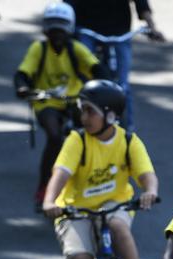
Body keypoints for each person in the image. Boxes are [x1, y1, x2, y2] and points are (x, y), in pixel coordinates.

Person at [42, 79, 157, 259]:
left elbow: (147, 175)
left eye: (89, 111)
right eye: (82, 110)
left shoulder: (128, 141)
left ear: (110, 114)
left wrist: (150, 192)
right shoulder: (77, 140)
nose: (83, 117)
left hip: (115, 205)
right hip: (75, 209)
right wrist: (50, 201)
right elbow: (59, 175)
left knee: (118, 226)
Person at [15, 2, 106, 210]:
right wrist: (22, 87)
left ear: (70, 29)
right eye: (53, 28)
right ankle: (44, 187)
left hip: (75, 100)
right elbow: (22, 74)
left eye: (62, 28)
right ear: (46, 29)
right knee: (55, 137)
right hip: (46, 101)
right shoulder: (39, 49)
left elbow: (97, 68)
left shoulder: (76, 49)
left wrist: (105, 84)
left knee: (89, 132)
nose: (57, 33)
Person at [66, 0, 165, 132]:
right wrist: (64, 26)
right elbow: (68, 5)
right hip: (87, 31)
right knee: (83, 78)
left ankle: (128, 133)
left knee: (123, 85)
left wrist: (152, 27)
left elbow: (141, 3)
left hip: (119, 33)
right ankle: (77, 122)